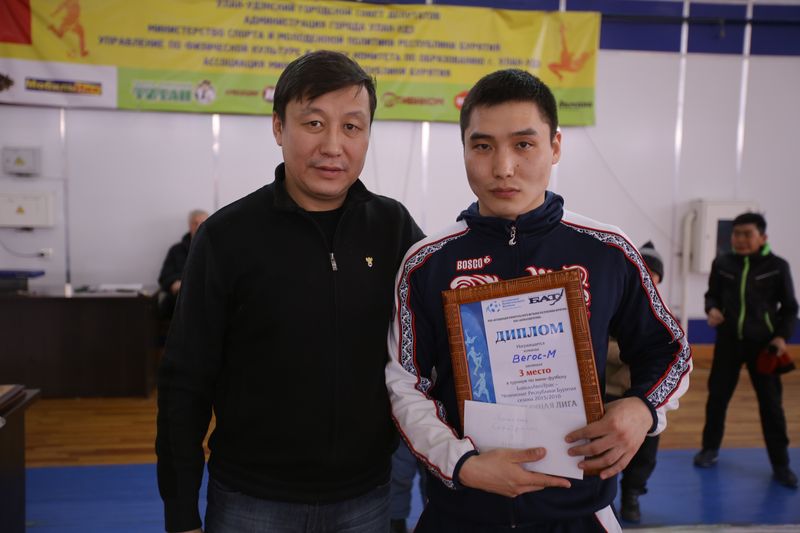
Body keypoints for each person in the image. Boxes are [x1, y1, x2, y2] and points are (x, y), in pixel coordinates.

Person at [385, 69, 691, 532]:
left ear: (556, 147)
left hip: (579, 515)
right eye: (482, 146)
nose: (503, 167)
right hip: (461, 514)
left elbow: (669, 350)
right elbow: (406, 383)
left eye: (524, 144)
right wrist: (462, 463)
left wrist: (642, 409)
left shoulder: (607, 251)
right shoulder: (428, 262)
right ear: (464, 149)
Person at [156, 50, 423, 533]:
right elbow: (184, 380)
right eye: (314, 123)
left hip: (366, 497)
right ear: (279, 127)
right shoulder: (225, 237)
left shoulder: (393, 227)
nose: (333, 146)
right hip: (252, 500)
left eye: (352, 127)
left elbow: (445, 331)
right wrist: (180, 513)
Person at [694, 212, 798, 489]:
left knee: (771, 406)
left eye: (747, 234)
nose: (740, 239)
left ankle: (781, 464)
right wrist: (711, 309)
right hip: (728, 342)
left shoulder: (777, 267)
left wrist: (781, 337)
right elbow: (711, 295)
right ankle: (709, 449)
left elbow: (790, 308)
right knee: (717, 398)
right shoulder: (722, 263)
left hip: (764, 346)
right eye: (736, 233)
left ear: (763, 237)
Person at [605, 241, 665, 522]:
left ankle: (632, 493)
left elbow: (671, 355)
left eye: (654, 273)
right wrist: (633, 353)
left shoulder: (663, 313)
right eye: (644, 269)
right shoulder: (613, 304)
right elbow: (596, 346)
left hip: (646, 398)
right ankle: (606, 499)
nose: (648, 276)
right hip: (610, 395)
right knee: (606, 452)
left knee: (644, 455)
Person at [157, 209, 208, 319]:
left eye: (202, 223)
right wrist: (175, 283)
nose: (199, 226)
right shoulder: (176, 250)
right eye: (195, 223)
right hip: (180, 298)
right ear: (189, 225)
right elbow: (164, 277)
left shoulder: (215, 250)